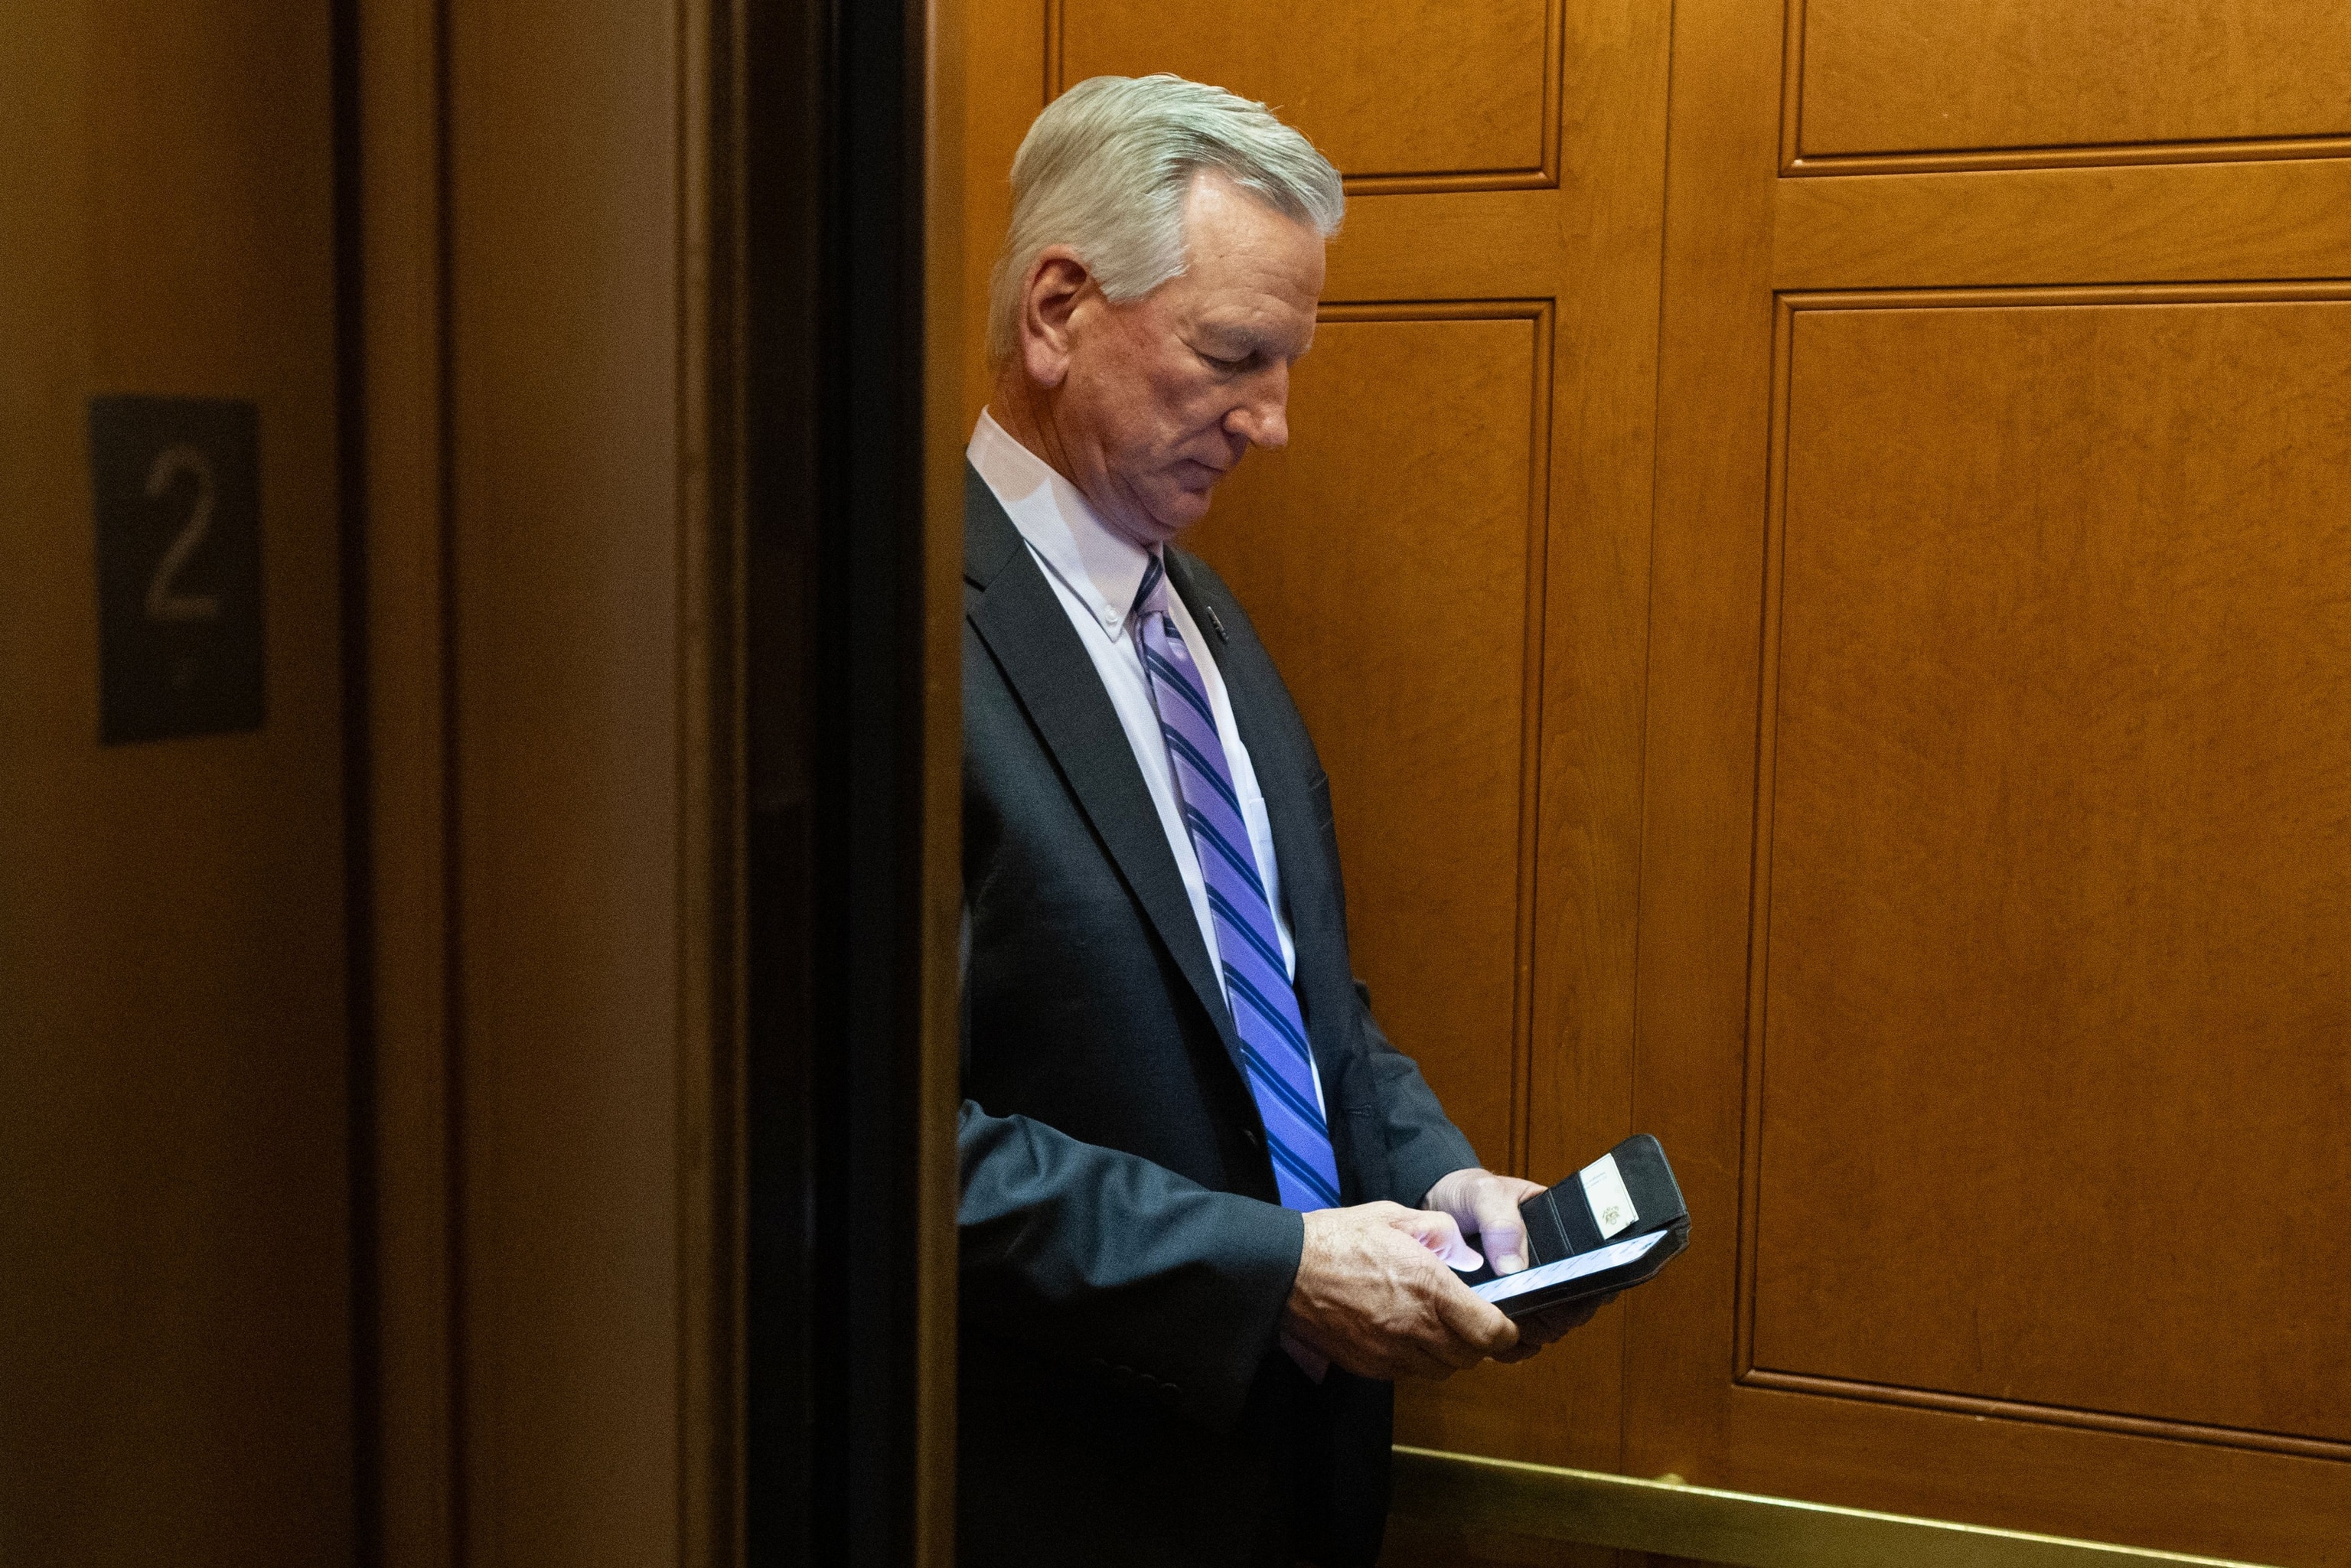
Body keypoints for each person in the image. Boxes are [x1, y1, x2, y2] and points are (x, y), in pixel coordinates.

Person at [957, 73, 1600, 1567]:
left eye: (1289, 362)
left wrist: (1441, 1180)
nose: (1273, 421)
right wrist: (1270, 1270)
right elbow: (872, 1142)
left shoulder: (1208, 629)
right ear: (1058, 308)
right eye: (1233, 356)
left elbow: (1304, 1009)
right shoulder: (892, 638)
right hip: (1060, 1497)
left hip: (1304, 1488)